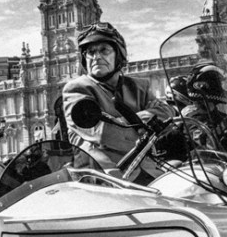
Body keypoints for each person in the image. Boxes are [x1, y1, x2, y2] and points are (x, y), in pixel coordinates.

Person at [62, 22, 174, 184]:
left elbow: (166, 112)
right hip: (104, 176)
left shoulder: (138, 86)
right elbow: (104, 132)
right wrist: (145, 123)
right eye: (91, 52)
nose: (96, 57)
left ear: (118, 55)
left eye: (104, 50)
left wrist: (129, 122)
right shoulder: (77, 89)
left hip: (148, 169)